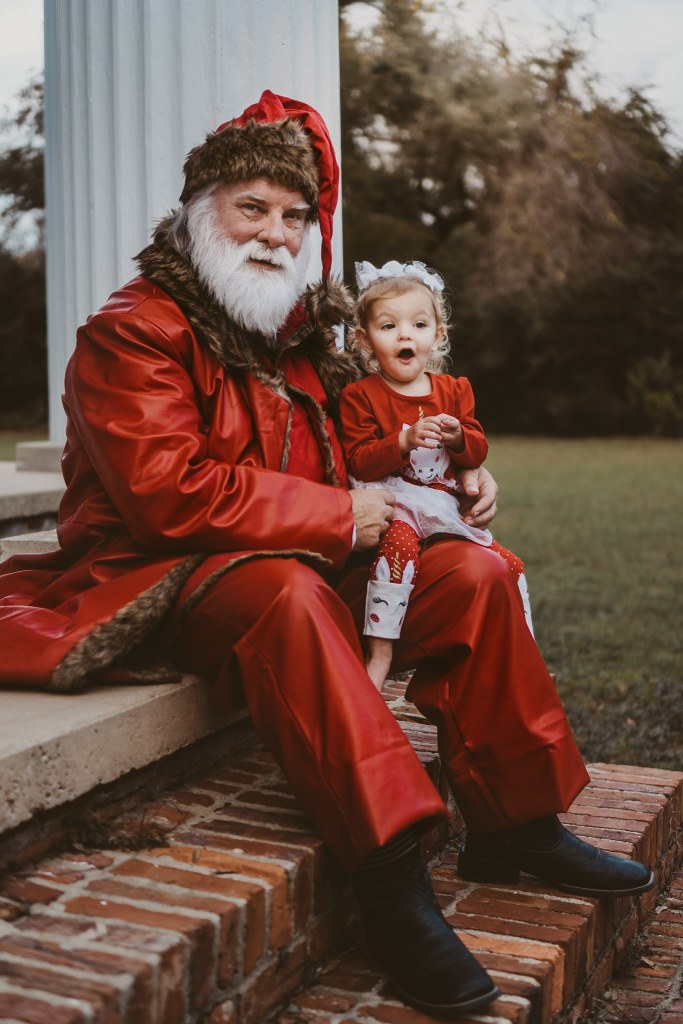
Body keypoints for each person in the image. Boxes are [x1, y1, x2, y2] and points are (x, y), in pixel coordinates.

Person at [0, 92, 654, 1020]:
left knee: (468, 573)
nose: (275, 233)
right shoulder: (133, 330)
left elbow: (378, 437)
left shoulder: (305, 336)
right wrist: (333, 511)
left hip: (312, 553)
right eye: (250, 208)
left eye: (294, 214)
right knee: (285, 596)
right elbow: (164, 492)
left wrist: (458, 476)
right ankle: (390, 880)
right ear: (198, 213)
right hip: (174, 571)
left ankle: (515, 825)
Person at [339, 259, 532, 690]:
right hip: (395, 497)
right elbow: (359, 460)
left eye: (419, 324)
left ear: (437, 334)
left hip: (440, 501)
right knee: (399, 545)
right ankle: (380, 651)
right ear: (365, 340)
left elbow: (477, 450)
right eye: (388, 326)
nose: (405, 334)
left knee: (509, 565)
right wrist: (403, 443)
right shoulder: (360, 396)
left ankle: (522, 652)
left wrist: (461, 436)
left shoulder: (453, 390)